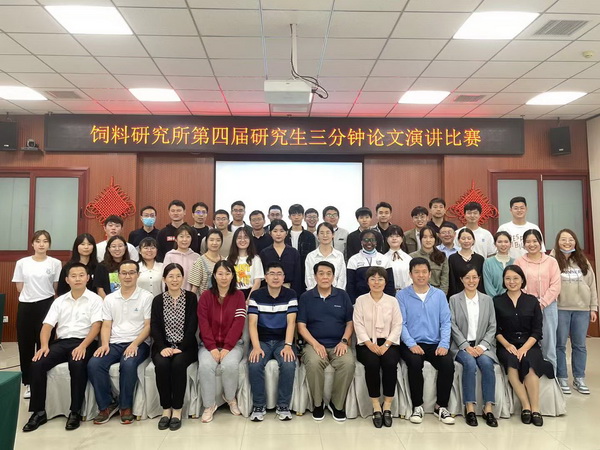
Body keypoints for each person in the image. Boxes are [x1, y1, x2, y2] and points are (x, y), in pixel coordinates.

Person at [22, 263, 102, 432]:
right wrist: (44, 346)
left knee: (77, 363)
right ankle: (38, 411)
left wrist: (83, 346)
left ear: (88, 278)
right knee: (37, 364)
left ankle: (75, 411)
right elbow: (47, 326)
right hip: (62, 342)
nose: (78, 279)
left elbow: (96, 326)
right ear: (67, 280)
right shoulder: (59, 301)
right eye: (73, 276)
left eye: (81, 275)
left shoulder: (95, 299)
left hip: (85, 342)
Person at [88, 260, 153, 425]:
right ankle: (107, 405)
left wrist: (134, 344)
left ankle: (126, 406)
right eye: (124, 273)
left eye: (132, 273)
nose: (127, 276)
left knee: (128, 363)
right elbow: (106, 325)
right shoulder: (110, 299)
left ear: (138, 275)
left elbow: (148, 326)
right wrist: (104, 344)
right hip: (114, 343)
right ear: (118, 276)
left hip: (139, 343)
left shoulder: (146, 297)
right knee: (94, 364)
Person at [494, 265, 554, 427]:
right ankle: (525, 406)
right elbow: (495, 329)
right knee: (511, 363)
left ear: (522, 280)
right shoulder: (497, 301)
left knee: (530, 363)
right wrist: (507, 345)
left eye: (515, 278)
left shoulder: (532, 301)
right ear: (503, 281)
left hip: (529, 344)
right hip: (506, 345)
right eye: (508, 278)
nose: (512, 282)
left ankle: (536, 409)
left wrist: (524, 348)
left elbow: (537, 331)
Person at [397, 258, 455, 425]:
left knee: (447, 363)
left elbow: (446, 322)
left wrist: (444, 344)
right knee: (415, 363)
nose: (420, 275)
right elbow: (401, 323)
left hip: (434, 343)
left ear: (430, 274)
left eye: (424, 272)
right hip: (411, 343)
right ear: (410, 274)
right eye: (416, 272)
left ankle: (441, 406)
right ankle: (417, 406)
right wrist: (411, 344)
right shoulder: (402, 295)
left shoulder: (439, 295)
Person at [298, 261, 355, 422]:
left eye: (329, 274)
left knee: (348, 363)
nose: (325, 277)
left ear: (333, 276)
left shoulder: (342, 295)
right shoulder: (306, 297)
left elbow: (350, 323)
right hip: (314, 344)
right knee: (314, 363)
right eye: (321, 273)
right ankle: (318, 404)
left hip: (338, 344)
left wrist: (344, 341)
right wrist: (315, 344)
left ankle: (337, 405)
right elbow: (301, 326)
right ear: (315, 276)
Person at [12, 230, 62, 399]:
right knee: (25, 345)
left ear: (49, 244)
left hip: (46, 305)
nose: (41, 244)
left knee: (45, 345)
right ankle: (28, 383)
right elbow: (19, 287)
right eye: (38, 241)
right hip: (26, 307)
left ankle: (42, 380)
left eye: (45, 241)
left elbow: (55, 287)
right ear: (32, 244)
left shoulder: (55, 263)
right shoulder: (22, 263)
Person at [449, 265, 498, 427]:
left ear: (479, 279)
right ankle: (469, 408)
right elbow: (452, 325)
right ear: (461, 280)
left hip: (482, 346)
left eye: (474, 277)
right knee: (469, 364)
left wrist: (482, 346)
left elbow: (492, 326)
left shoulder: (487, 300)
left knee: (487, 364)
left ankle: (488, 408)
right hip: (461, 346)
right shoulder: (454, 299)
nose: (471, 281)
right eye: (467, 278)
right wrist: (465, 345)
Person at [247, 262, 298, 422]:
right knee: (255, 363)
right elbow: (252, 323)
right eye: (272, 274)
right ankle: (258, 406)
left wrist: (288, 346)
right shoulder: (256, 296)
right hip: (262, 340)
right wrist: (256, 347)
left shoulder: (290, 294)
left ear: (284, 277)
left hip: (283, 341)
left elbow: (291, 322)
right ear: (266, 277)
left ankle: (283, 406)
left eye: (279, 274)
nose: (276, 277)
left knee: (288, 363)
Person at [197, 261, 247, 422]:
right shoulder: (206, 296)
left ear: (233, 276)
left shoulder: (239, 296)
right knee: (206, 366)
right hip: (208, 345)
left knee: (230, 365)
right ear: (214, 276)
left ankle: (230, 398)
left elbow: (238, 323)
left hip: (233, 345)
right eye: (220, 274)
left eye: (227, 273)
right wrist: (212, 347)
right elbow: (203, 323)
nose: (224, 277)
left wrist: (227, 347)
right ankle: (209, 405)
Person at [151, 263, 198, 431]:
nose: (175, 280)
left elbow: (192, 325)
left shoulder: (191, 298)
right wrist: (162, 347)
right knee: (162, 364)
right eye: (170, 276)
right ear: (164, 279)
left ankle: (177, 409)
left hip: (186, 347)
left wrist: (182, 347)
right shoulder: (158, 300)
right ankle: (166, 409)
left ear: (183, 278)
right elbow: (155, 326)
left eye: (178, 276)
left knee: (178, 364)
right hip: (163, 346)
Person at [353, 266, 402, 428]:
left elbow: (398, 324)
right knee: (372, 364)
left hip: (389, 343)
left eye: (380, 279)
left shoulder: (393, 301)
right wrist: (369, 344)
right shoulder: (361, 300)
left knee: (390, 363)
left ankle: (387, 405)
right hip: (366, 343)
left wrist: (387, 344)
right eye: (372, 279)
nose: (376, 282)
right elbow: (358, 324)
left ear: (385, 282)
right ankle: (375, 406)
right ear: (367, 282)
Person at [553, 229, 598, 394]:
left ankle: (579, 378)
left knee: (579, 345)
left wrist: (593, 307)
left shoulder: (583, 260)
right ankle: (562, 377)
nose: (567, 242)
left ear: (575, 242)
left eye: (570, 239)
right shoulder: (552, 260)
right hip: (560, 309)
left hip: (582, 310)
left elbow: (592, 284)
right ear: (558, 242)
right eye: (563, 239)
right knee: (560, 345)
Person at [515, 229, 561, 372]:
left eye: (535, 241)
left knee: (549, 342)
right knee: (529, 340)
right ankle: (531, 374)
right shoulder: (519, 262)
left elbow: (555, 285)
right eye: (528, 241)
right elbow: (516, 283)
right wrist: (530, 304)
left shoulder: (551, 261)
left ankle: (551, 375)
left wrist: (542, 303)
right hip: (526, 306)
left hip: (548, 305)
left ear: (540, 242)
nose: (532, 244)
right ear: (524, 244)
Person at [346, 229, 395, 303]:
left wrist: (388, 301)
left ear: (376, 242)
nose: (369, 242)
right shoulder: (353, 260)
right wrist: (353, 303)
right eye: (366, 240)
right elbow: (350, 284)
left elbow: (390, 283)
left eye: (372, 240)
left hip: (382, 300)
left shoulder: (384, 259)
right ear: (361, 242)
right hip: (360, 300)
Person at [259, 219, 303, 295]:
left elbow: (297, 277)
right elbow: (262, 276)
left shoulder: (294, 252)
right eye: (275, 231)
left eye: (281, 231)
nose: (278, 234)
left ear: (286, 233)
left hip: (290, 290)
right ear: (270, 233)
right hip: (269, 291)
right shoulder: (264, 253)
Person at [304, 222, 346, 290]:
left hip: (336, 293)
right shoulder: (311, 256)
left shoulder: (339, 256)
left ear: (333, 235)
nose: (325, 235)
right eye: (322, 233)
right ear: (317, 236)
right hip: (315, 293)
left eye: (328, 232)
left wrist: (337, 293)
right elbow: (309, 278)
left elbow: (342, 279)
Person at [409, 226, 449, 295]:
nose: (428, 240)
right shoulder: (412, 257)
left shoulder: (442, 256)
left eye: (431, 237)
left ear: (435, 239)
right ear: (420, 239)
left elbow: (445, 280)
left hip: (437, 294)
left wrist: (441, 296)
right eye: (425, 237)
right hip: (417, 293)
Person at [228, 227, 264, 299]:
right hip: (233, 294)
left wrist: (249, 299)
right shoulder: (228, 259)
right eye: (239, 238)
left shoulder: (256, 259)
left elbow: (257, 282)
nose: (242, 240)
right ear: (235, 240)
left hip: (251, 294)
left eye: (246, 237)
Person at [448, 228, 485, 298]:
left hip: (476, 295)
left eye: (469, 238)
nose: (466, 241)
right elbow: (452, 280)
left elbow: (481, 281)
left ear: (473, 240)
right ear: (458, 240)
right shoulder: (452, 258)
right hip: (457, 296)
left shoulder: (480, 259)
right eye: (463, 238)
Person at [163, 224, 200, 291]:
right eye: (181, 236)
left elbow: (198, 279)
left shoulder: (196, 257)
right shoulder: (170, 256)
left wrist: (192, 295)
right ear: (176, 239)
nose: (184, 239)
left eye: (188, 236)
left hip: (193, 295)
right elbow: (165, 278)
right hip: (173, 294)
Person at [189, 229, 224, 297]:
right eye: (211, 240)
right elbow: (194, 287)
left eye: (218, 240)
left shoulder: (224, 260)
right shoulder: (200, 261)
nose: (214, 243)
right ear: (206, 242)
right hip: (205, 300)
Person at [285, 204, 317, 270]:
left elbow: (312, 256)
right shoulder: (285, 235)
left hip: (305, 269)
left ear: (303, 216)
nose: (296, 217)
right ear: (289, 217)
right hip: (287, 269)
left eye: (299, 215)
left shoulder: (309, 236)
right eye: (294, 215)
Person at [483, 231, 514, 298]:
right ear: (495, 244)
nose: (503, 244)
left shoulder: (515, 262)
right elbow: (488, 286)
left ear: (510, 244)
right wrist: (497, 300)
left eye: (506, 242)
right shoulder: (488, 262)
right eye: (499, 242)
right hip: (494, 300)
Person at [385, 225, 412, 291]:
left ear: (402, 239)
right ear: (387, 239)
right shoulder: (383, 259)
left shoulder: (408, 258)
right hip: (389, 293)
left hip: (407, 292)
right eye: (391, 236)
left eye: (397, 236)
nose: (394, 239)